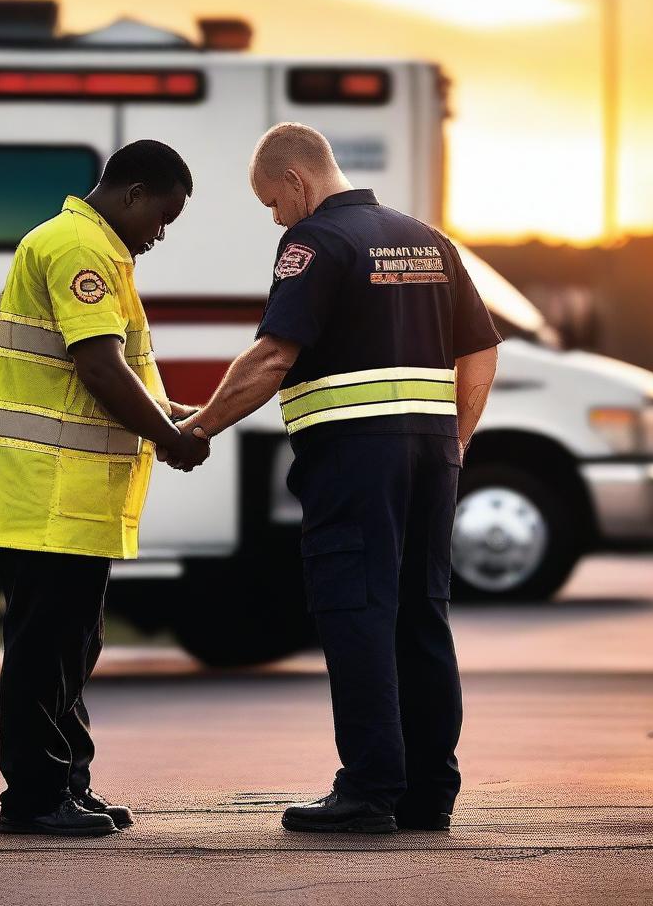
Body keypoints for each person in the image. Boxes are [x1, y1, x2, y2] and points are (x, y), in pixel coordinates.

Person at [175, 123, 500, 834]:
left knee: (356, 613)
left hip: (355, 464)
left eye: (271, 200)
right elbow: (480, 353)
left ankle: (369, 787)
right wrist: (456, 441)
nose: (274, 216)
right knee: (421, 615)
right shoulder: (428, 240)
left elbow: (271, 357)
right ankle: (427, 792)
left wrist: (196, 426)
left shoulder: (315, 243)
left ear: (296, 181)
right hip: (431, 461)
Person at [0, 140, 210, 837]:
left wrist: (179, 416)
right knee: (46, 652)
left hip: (70, 500)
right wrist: (168, 436)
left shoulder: (98, 249)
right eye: (162, 215)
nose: (161, 231)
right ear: (132, 193)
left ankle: (68, 783)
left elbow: (126, 374)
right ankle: (35, 800)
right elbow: (98, 368)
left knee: (71, 648)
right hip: (48, 496)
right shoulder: (78, 248)